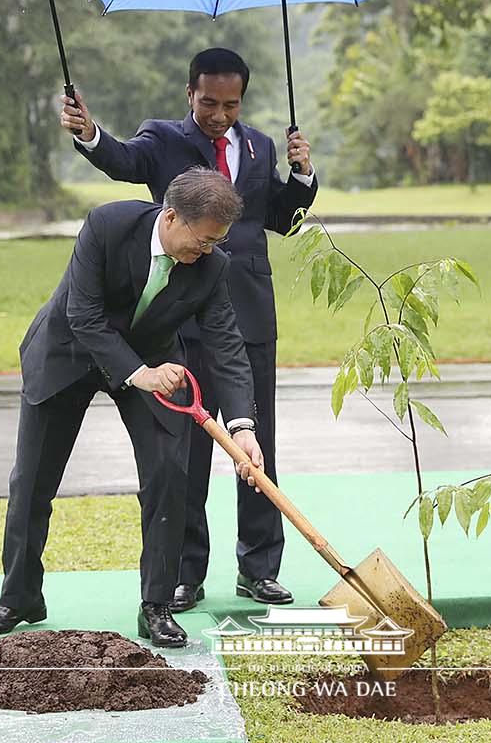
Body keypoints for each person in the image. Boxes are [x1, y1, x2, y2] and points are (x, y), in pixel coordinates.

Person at [61, 47, 315, 613]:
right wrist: (89, 132)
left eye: (231, 104)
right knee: (190, 450)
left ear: (242, 100)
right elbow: (122, 161)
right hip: (184, 316)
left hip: (250, 314)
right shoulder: (162, 140)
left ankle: (260, 567)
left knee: (255, 443)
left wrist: (301, 176)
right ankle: (185, 573)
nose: (219, 114)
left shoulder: (260, 146)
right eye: (208, 102)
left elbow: (282, 219)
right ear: (189, 93)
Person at [0, 169, 264, 648]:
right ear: (171, 217)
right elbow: (81, 315)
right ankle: (19, 597)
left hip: (153, 362)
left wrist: (243, 428)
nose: (207, 251)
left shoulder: (213, 267)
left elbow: (227, 346)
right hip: (67, 353)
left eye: (217, 242)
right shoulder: (106, 225)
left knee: (170, 474)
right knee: (32, 479)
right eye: (203, 240)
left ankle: (157, 605)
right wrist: (138, 373)